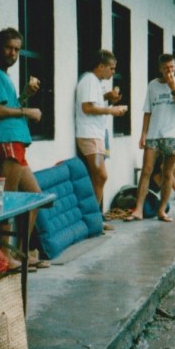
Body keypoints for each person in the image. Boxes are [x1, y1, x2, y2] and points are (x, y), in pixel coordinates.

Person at [0, 27, 46, 267]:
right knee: (6, 203)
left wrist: (24, 97)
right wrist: (26, 111)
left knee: (34, 197)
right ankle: (5, 258)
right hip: (6, 142)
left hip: (17, 142)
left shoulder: (4, 76)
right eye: (9, 47)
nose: (13, 53)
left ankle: (20, 253)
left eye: (17, 49)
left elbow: (9, 107)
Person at [126, 53, 175, 222]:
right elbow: (147, 111)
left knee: (167, 173)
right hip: (154, 133)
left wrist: (173, 88)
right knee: (146, 170)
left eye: (172, 68)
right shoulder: (153, 85)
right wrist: (143, 134)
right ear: (160, 69)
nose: (169, 71)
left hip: (173, 134)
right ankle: (138, 209)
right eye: (166, 68)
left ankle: (162, 210)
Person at [75, 49, 128, 231]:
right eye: (111, 69)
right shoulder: (89, 80)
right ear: (101, 66)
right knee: (101, 176)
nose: (113, 72)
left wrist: (107, 98)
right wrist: (111, 110)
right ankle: (93, 218)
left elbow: (94, 102)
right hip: (90, 135)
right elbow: (87, 108)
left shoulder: (94, 82)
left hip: (97, 134)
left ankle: (94, 217)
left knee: (96, 177)